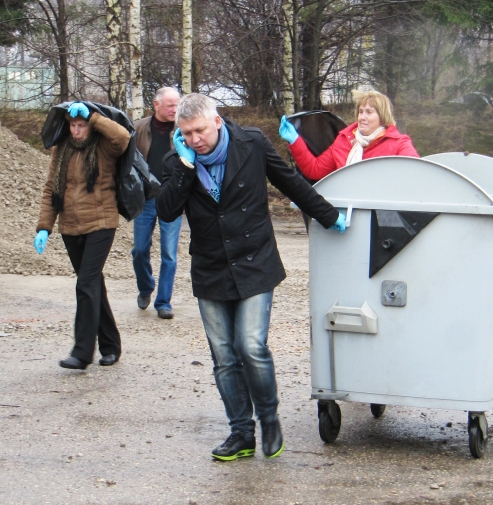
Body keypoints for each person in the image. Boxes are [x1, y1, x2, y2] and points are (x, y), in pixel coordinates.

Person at [155, 93, 346, 461]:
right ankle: (241, 432)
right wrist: (184, 165)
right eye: (186, 133)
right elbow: (166, 210)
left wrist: (329, 216)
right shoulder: (179, 160)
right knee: (224, 356)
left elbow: (290, 182)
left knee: (251, 347)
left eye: (199, 130)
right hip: (211, 267)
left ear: (216, 121)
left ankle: (270, 420)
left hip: (255, 260)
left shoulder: (252, 143)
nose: (195, 139)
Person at [34, 102, 131, 370]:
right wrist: (44, 226)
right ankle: (111, 346)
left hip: (101, 222)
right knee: (93, 285)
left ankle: (82, 352)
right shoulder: (61, 148)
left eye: (81, 125)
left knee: (86, 285)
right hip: (70, 226)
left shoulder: (104, 146)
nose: (76, 131)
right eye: (72, 126)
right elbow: (50, 188)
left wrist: (94, 118)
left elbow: (123, 137)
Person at [279, 90, 420, 181]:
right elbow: (315, 170)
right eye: (360, 111)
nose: (362, 117)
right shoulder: (344, 140)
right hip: (349, 211)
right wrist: (295, 140)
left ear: (382, 117)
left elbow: (415, 174)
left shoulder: (399, 143)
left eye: (369, 112)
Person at [131, 87, 182, 319]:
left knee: (169, 254)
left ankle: (163, 302)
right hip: (145, 199)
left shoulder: (183, 129)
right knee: (140, 250)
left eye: (177, 105)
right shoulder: (139, 128)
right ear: (156, 105)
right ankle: (145, 287)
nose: (174, 109)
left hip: (172, 199)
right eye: (170, 105)